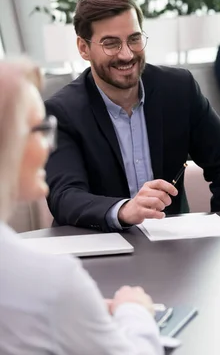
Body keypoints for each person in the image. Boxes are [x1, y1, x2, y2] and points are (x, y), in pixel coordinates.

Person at [0, 58, 162, 354]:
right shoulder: (52, 281)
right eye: (40, 128)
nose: (50, 145)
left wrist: (72, 307)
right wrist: (134, 310)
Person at [45, 0, 220, 232]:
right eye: (111, 43)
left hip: (173, 244)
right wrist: (124, 209)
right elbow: (64, 196)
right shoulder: (62, 111)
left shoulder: (179, 90)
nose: (126, 54)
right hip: (99, 246)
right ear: (84, 48)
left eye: (134, 39)